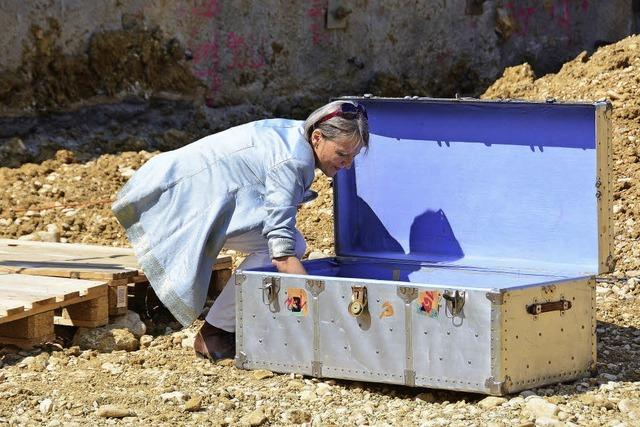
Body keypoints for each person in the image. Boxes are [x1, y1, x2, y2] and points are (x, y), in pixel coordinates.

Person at [112, 100, 369, 360]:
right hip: (181, 198)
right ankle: (215, 332)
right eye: (342, 154)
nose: (347, 165)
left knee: (286, 244)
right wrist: (321, 314)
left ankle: (220, 327)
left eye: (352, 157)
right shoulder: (294, 160)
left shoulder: (293, 133)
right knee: (289, 246)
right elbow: (281, 254)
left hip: (174, 182)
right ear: (317, 137)